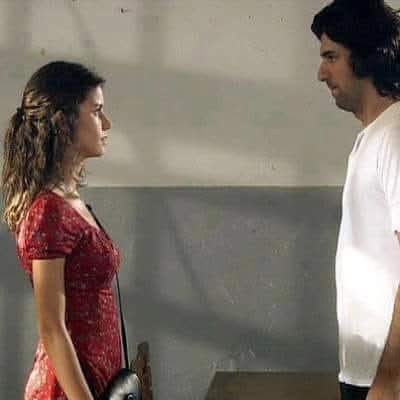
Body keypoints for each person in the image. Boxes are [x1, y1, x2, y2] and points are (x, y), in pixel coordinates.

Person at [1, 61, 119, 399]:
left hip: (94, 381)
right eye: (96, 111)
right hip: (65, 390)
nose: (107, 124)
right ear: (63, 121)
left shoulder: (70, 202)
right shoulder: (48, 211)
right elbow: (52, 327)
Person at [311, 0, 400, 399]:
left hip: (386, 379)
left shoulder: (394, 137)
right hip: (366, 371)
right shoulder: (374, 137)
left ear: (367, 57)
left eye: (331, 57)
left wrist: (389, 379)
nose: (321, 73)